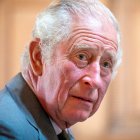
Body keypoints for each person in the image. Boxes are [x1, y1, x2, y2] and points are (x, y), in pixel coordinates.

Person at [0, 0, 122, 139]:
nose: (95, 80)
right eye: (81, 56)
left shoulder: (57, 124)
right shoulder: (7, 129)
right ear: (39, 58)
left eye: (106, 64)